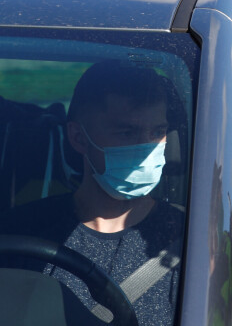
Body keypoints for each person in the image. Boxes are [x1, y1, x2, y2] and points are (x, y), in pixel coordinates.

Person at [1, 61, 184, 326]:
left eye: (158, 132)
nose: (146, 148)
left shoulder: (190, 242)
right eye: (127, 132)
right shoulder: (17, 232)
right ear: (78, 138)